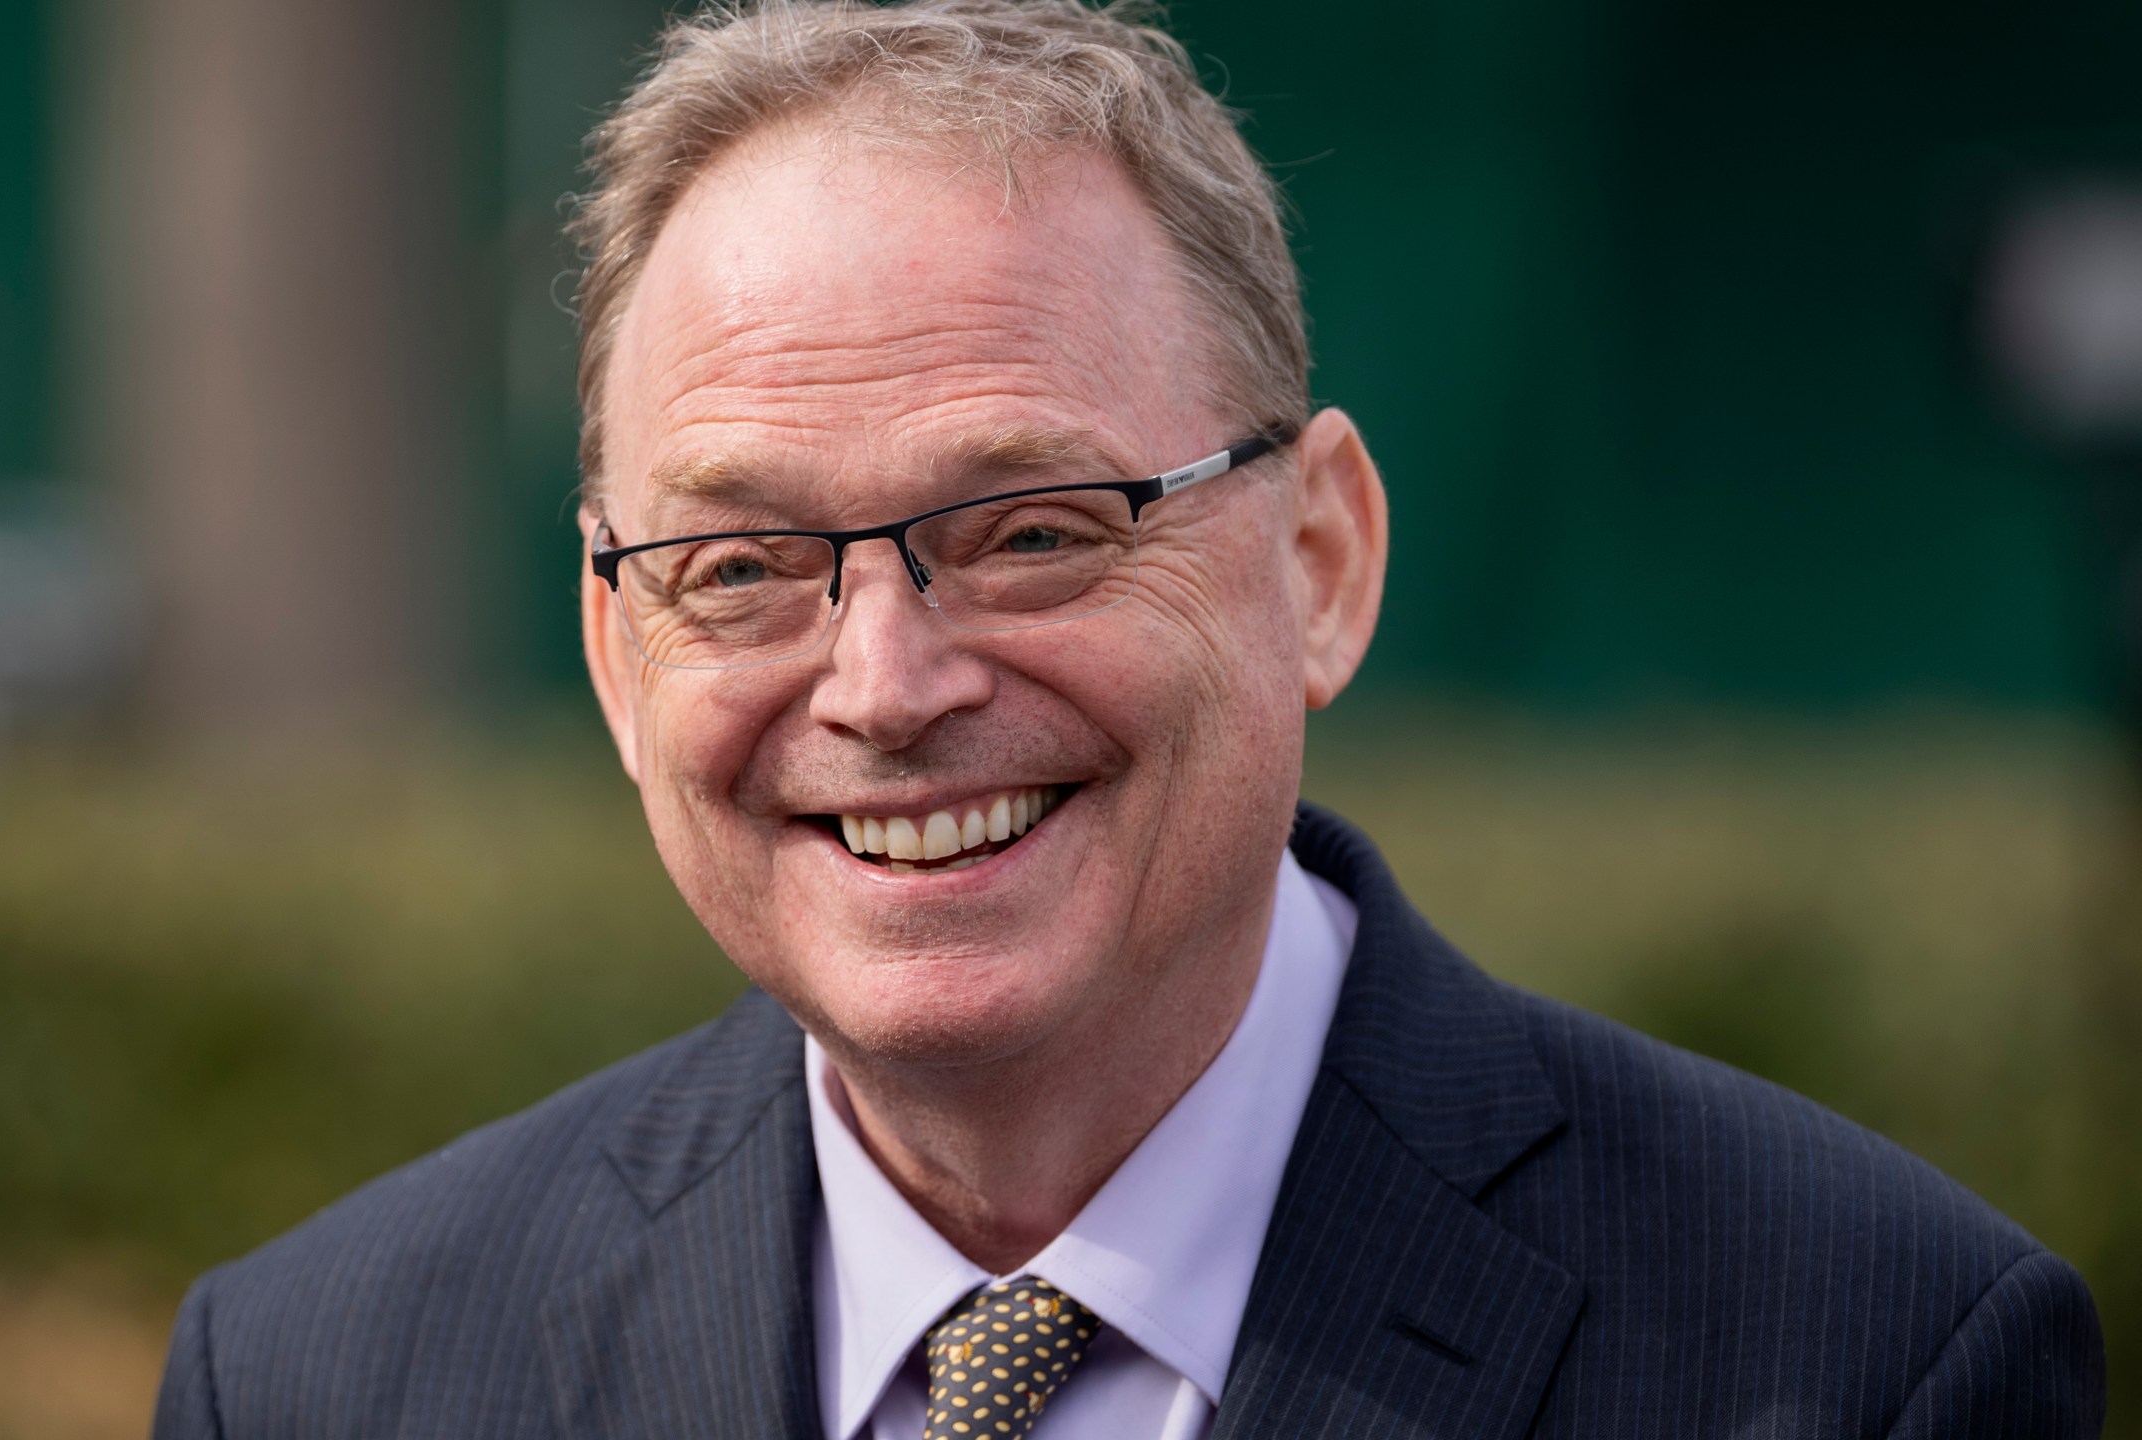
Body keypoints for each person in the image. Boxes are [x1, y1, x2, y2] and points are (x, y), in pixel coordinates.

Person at [152, 2, 2106, 1435]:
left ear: (1319, 562)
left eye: (1026, 532)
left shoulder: (1862, 1363)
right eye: (737, 567)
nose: (886, 682)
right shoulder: (329, 1377)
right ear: (611, 658)